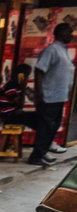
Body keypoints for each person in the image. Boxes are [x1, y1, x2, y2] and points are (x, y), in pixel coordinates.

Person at [30, 23, 75, 167]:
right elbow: (39, 71)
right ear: (61, 33)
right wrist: (39, 93)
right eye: (69, 32)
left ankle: (42, 153)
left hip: (59, 97)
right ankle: (36, 156)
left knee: (52, 127)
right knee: (45, 127)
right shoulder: (52, 50)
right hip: (49, 96)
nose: (71, 35)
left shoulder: (64, 50)